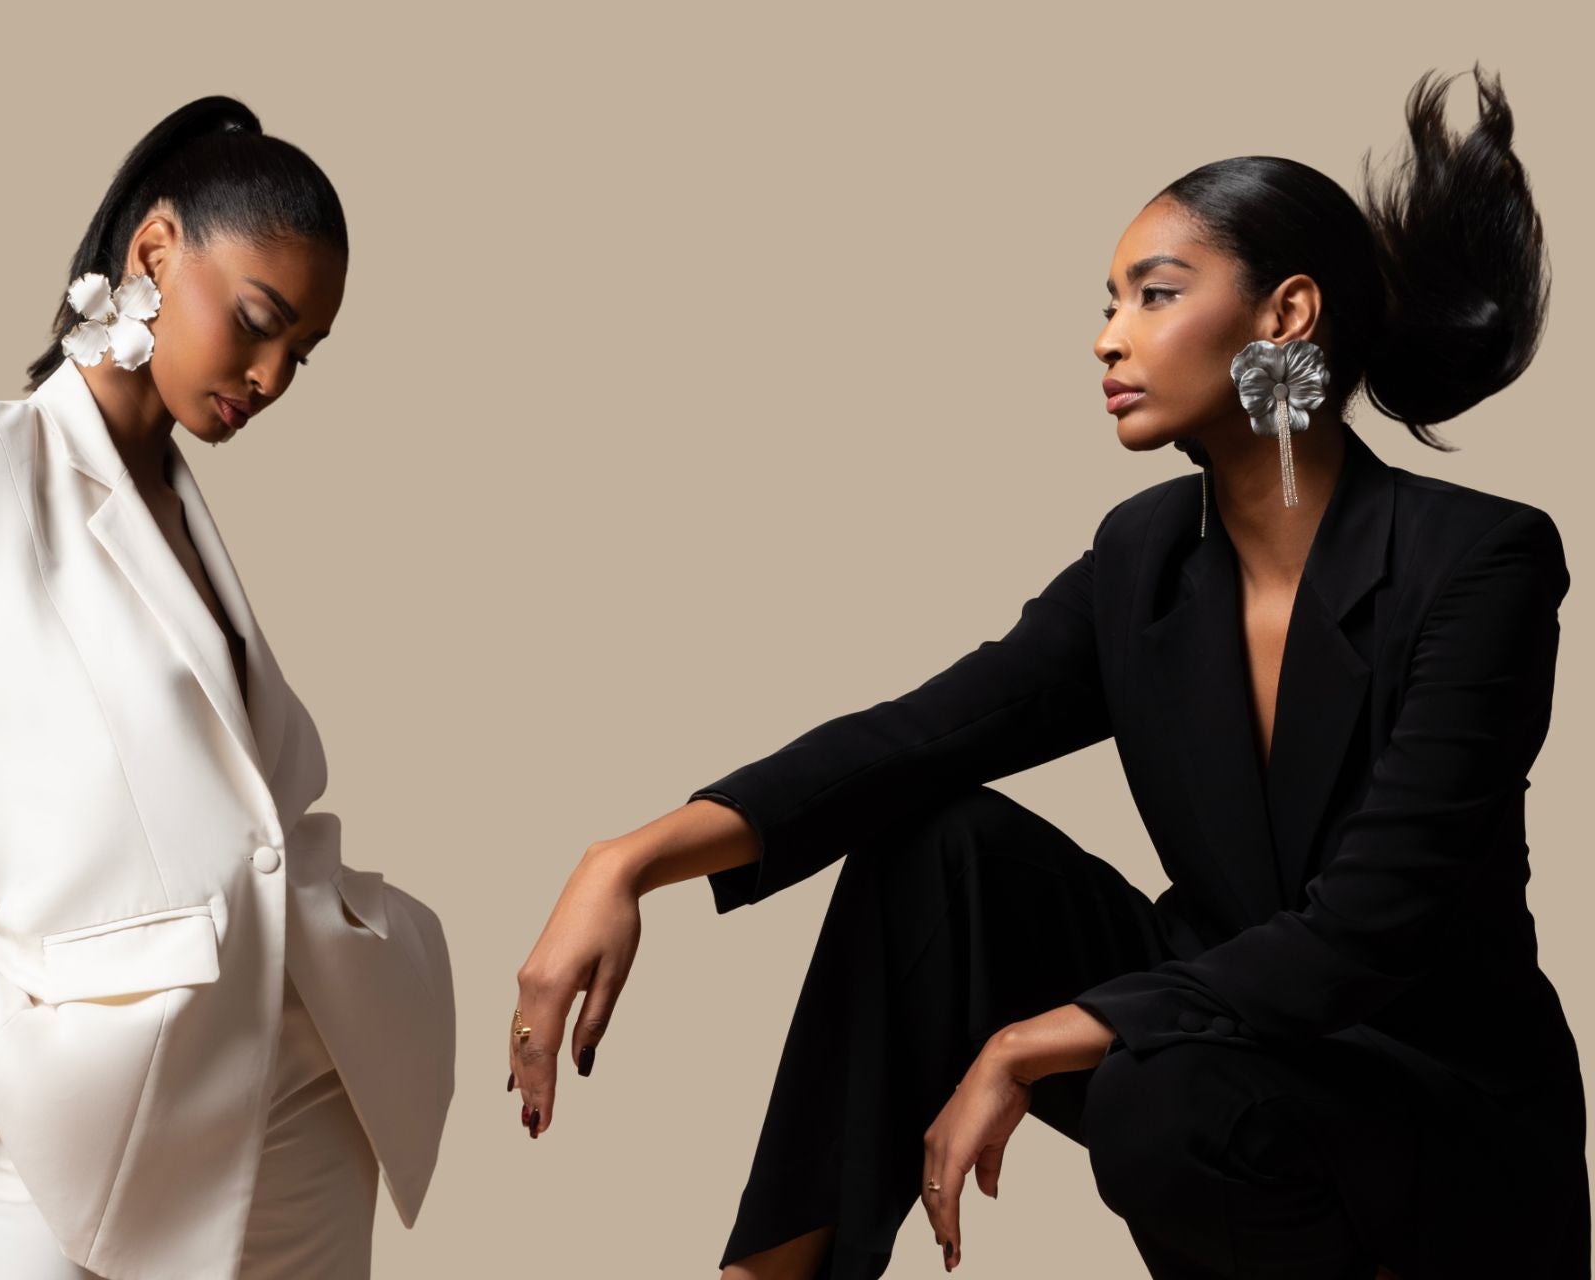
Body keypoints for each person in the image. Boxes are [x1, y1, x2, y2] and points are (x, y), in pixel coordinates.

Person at [508, 63, 1586, 1279]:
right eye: (1110, 297)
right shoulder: (1146, 560)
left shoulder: (1478, 560)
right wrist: (628, 860)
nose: (1107, 332)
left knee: (1151, 1092)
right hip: (1222, 1039)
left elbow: (1370, 924)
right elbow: (920, 736)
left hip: (1430, 1108)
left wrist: (1034, 1040)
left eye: (1154, 292)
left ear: (1285, 315)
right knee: (935, 845)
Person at [0, 95, 454, 1280]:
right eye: (258, 321)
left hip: (301, 1106)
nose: (274, 375)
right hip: (70, 1118)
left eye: (303, 352)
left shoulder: (179, 501)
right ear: (155, 252)